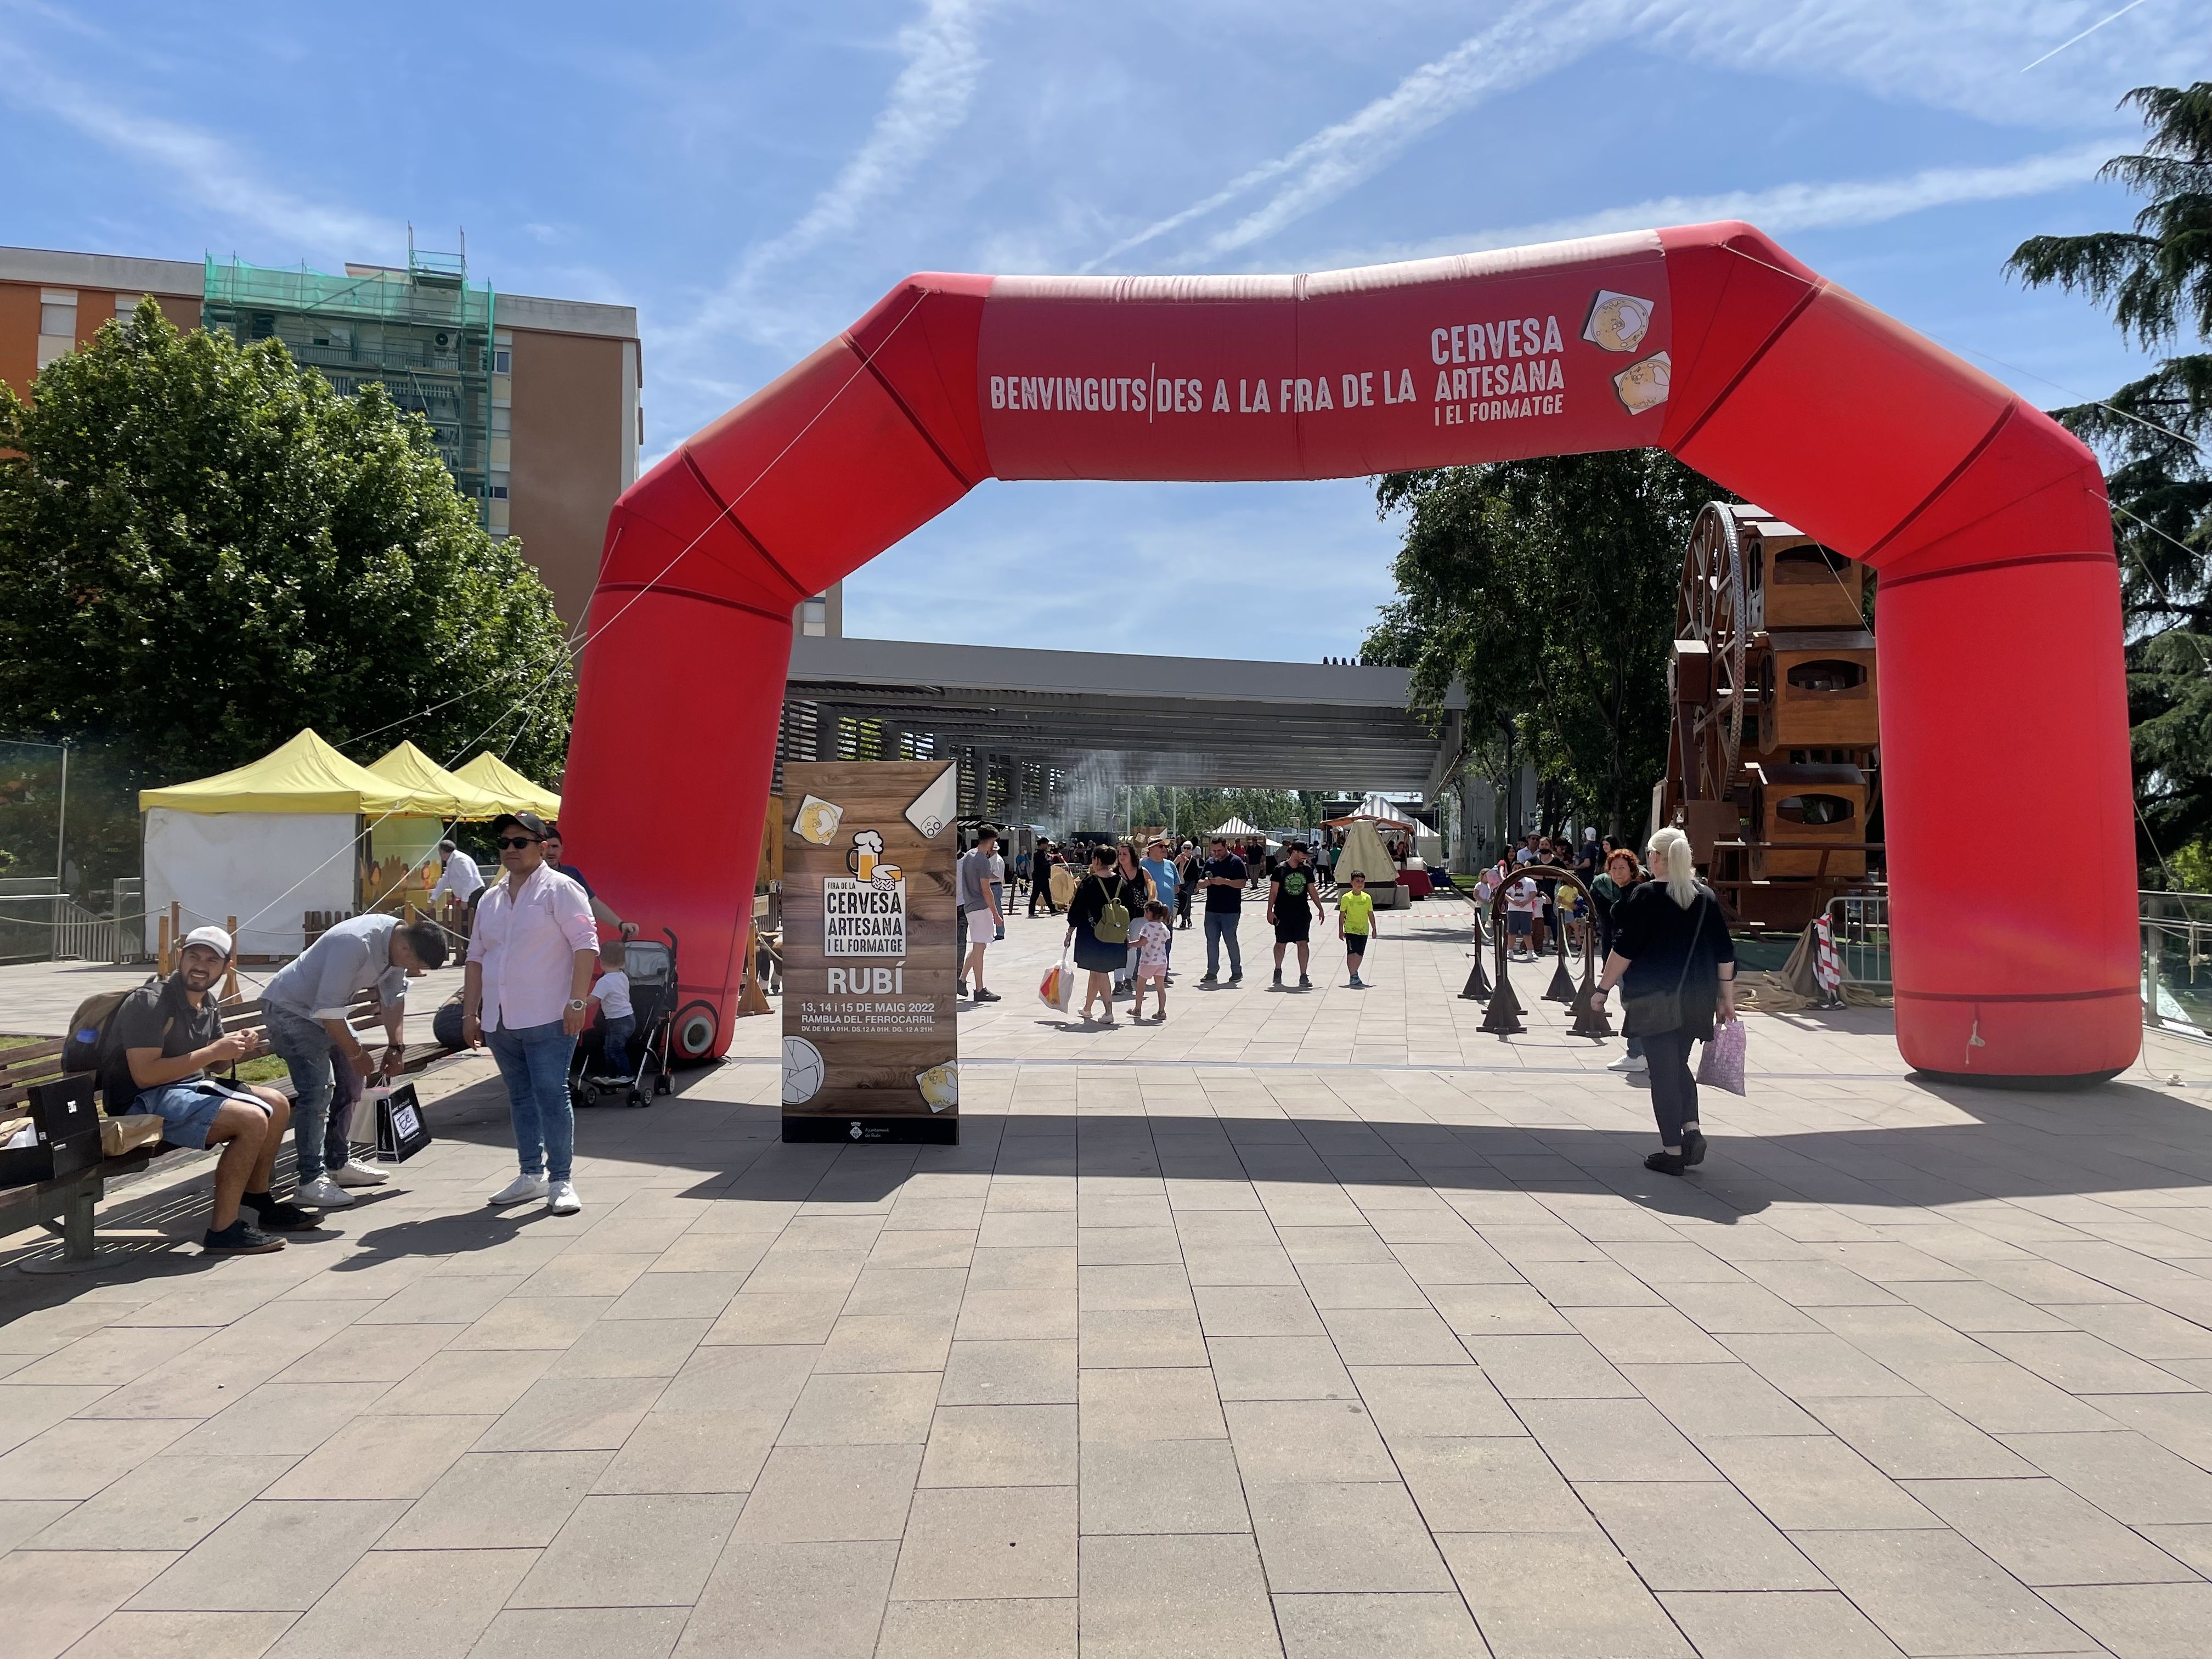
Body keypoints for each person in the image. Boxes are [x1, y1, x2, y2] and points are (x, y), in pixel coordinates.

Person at [103, 927, 317, 1253]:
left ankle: (258, 1197)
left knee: (277, 1104)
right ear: (180, 958)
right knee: (251, 1119)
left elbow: (214, 1065)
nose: (200, 966)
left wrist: (235, 1048)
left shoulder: (208, 1002)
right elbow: (145, 1075)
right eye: (194, 956)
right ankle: (223, 1230)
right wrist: (214, 1052)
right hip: (139, 1104)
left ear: (225, 967)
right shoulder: (149, 1002)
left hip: (182, 1088)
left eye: (211, 960)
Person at [262, 911, 447, 1208]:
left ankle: (337, 1163)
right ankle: (310, 1180)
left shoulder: (398, 943)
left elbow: (393, 1000)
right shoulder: (354, 944)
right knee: (319, 1089)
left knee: (352, 1082)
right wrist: (356, 1054)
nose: (415, 971)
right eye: (417, 965)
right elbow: (329, 1012)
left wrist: (396, 1047)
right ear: (405, 949)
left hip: (324, 1013)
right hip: (289, 1009)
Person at [464, 810, 598, 1214]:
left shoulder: (561, 889)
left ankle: (561, 1179)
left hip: (549, 1013)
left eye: (519, 842)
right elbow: (475, 956)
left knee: (551, 1094)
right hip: (501, 1018)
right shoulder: (491, 898)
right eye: (503, 843)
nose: (509, 850)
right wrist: (470, 1013)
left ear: (542, 847)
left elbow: (586, 945)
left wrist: (577, 1001)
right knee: (520, 1098)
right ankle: (529, 1175)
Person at [1591, 826, 1737, 1176]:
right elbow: (1725, 953)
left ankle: (1672, 1152)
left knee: (1663, 1073)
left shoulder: (1645, 896)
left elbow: (1623, 950)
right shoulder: (1705, 897)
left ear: (1655, 857)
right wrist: (1726, 1000)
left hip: (1655, 997)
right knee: (1677, 1064)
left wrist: (1602, 990)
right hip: (1698, 999)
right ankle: (1692, 1129)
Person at [1065, 845, 1139, 1025]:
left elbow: (1077, 910)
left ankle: (1108, 1012)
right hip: (1116, 934)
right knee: (1096, 971)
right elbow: (1132, 909)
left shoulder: (1089, 882)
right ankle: (1088, 1008)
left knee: (1101, 971)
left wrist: (1069, 932)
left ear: (1097, 861)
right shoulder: (1123, 883)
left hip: (1093, 935)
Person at [1591, 848, 1647, 1077]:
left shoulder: (1635, 893)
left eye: (1622, 868)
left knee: (1633, 1005)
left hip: (1631, 960)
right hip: (1628, 958)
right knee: (1632, 1005)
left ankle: (1636, 1054)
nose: (1617, 872)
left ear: (1632, 870)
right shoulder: (1624, 893)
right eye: (1613, 868)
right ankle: (1641, 1052)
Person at [542, 825, 640, 941]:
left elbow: (592, 903)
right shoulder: (528, 876)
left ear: (562, 848)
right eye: (547, 847)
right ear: (540, 848)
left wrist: (621, 924)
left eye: (555, 847)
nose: (551, 852)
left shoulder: (573, 874)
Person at [958, 826, 1004, 1003]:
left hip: (969, 907)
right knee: (980, 948)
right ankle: (979, 989)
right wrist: (996, 914)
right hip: (981, 908)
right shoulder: (983, 861)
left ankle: (962, 980)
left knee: (979, 946)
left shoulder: (969, 856)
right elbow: (987, 891)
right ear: (992, 841)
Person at [1268, 842, 1323, 989]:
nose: (1306, 857)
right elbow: (1273, 892)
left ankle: (1303, 975)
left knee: (1303, 942)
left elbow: (1312, 891)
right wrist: (1270, 911)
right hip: (1283, 913)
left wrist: (1320, 908)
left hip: (1302, 913)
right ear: (1296, 853)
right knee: (1281, 943)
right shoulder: (1280, 870)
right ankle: (1278, 969)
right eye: (1304, 854)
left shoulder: (1306, 870)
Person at [1199, 836, 1247, 984]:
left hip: (1230, 910)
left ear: (1226, 847)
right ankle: (1212, 972)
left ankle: (1236, 971)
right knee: (1211, 942)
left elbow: (1242, 883)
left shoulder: (1236, 862)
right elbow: (1199, 884)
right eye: (1214, 851)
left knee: (1230, 940)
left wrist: (1225, 882)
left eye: (1219, 850)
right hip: (1212, 910)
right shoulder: (1210, 862)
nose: (1216, 853)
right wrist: (1206, 883)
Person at [1111, 842, 1156, 996]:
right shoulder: (1114, 873)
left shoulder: (1142, 872)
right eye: (1120, 854)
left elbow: (1152, 890)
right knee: (1119, 947)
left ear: (1132, 856)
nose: (1122, 857)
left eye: (1125, 854)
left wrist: (1152, 911)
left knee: (1131, 947)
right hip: (1119, 916)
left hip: (1138, 916)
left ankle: (1128, 979)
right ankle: (1118, 981)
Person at [590, 939, 636, 1079]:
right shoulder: (622, 977)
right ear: (623, 962)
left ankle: (626, 1075)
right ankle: (610, 1076)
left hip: (618, 1021)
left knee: (614, 1049)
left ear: (601, 961)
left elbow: (593, 1000)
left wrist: (576, 1003)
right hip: (627, 1018)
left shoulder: (605, 981)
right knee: (609, 1048)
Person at [1138, 839, 1178, 975]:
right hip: (1149, 914)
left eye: (1166, 846)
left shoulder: (1171, 865)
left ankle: (1163, 973)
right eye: (1161, 846)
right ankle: (1138, 973)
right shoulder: (1142, 864)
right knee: (1143, 943)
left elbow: (1177, 888)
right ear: (1151, 849)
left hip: (1167, 914)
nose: (1165, 849)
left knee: (1166, 943)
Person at [1132, 900, 1172, 1021]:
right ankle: (1162, 1011)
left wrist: (1130, 944)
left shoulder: (1147, 927)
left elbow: (1142, 942)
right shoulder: (1164, 927)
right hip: (1162, 961)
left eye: (1146, 910)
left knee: (1140, 986)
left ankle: (1138, 1009)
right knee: (1160, 987)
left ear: (1150, 912)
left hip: (1148, 961)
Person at [1338, 868, 1378, 988]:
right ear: (1351, 882)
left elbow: (1370, 913)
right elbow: (1342, 914)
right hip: (1350, 929)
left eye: (1362, 882)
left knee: (1360, 953)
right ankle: (1353, 975)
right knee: (1352, 952)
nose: (1360, 884)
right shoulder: (1346, 898)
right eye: (1357, 881)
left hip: (1363, 929)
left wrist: (1374, 929)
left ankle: (1355, 973)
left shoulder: (1367, 898)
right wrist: (1341, 930)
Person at [428, 838, 484, 915]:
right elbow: (445, 880)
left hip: (474, 893)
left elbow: (468, 878)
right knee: (464, 921)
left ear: (443, 852)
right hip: (469, 895)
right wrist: (434, 897)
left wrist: (465, 899)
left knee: (470, 921)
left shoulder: (459, 859)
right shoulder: (452, 861)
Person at [1505, 872, 1540, 959]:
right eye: (1515, 868)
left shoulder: (1529, 881)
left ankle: (1530, 952)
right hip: (1513, 910)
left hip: (1526, 910)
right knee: (1512, 932)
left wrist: (1526, 902)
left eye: (1519, 868)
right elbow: (1506, 893)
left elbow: (1533, 893)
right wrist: (1513, 901)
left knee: (1527, 932)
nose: (1517, 870)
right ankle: (1510, 950)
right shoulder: (1510, 880)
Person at [1028, 839, 1058, 917]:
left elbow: (1048, 859)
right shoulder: (1037, 854)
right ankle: (1031, 912)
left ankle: (1053, 910)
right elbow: (1045, 862)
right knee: (1035, 895)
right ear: (1042, 844)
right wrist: (1050, 860)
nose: (1047, 846)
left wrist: (1054, 856)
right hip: (1039, 878)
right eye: (1046, 844)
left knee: (1047, 894)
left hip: (1044, 877)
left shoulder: (1044, 853)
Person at [1173, 841, 1198, 930]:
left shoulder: (1193, 860)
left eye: (1189, 848)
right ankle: (1185, 919)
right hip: (1181, 882)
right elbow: (1174, 869)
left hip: (1190, 882)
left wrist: (1197, 885)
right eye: (1185, 848)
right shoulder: (1179, 858)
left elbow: (1196, 873)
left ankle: (1186, 918)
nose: (1187, 850)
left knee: (1188, 899)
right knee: (1183, 900)